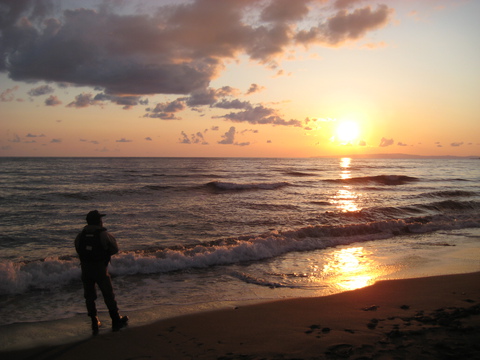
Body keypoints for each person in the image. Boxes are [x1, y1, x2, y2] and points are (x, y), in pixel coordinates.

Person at [75, 210, 128, 334]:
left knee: (89, 296)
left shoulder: (80, 235)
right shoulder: (103, 234)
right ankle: (115, 319)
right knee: (108, 293)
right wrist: (104, 253)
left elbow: (78, 249)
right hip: (99, 268)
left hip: (85, 268)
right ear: (99, 221)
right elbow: (115, 248)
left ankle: (94, 320)